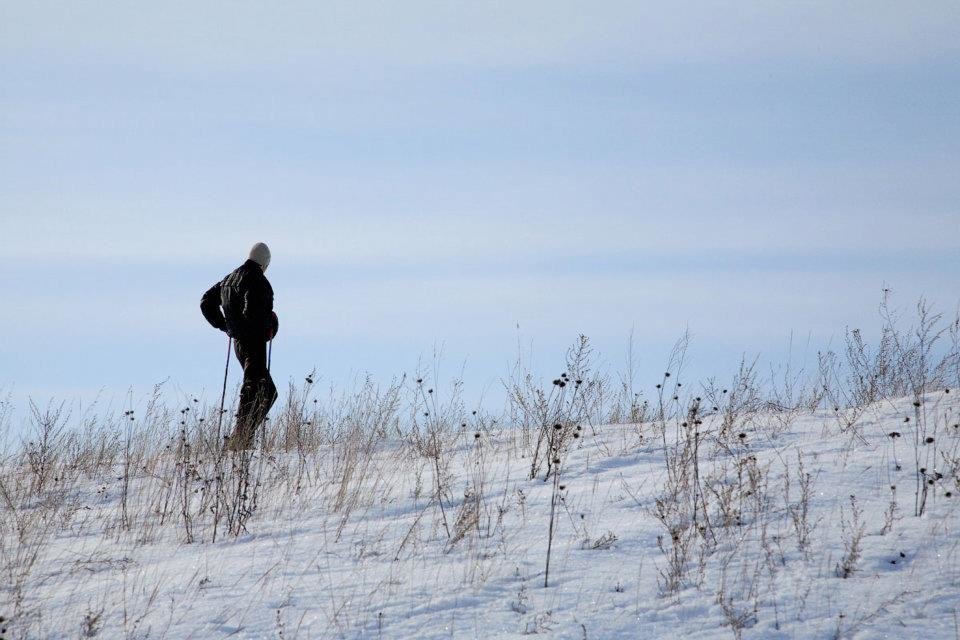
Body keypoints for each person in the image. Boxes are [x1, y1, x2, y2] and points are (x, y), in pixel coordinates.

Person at [200, 242, 279, 450]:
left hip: (238, 343)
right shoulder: (259, 281)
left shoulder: (229, 278)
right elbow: (252, 310)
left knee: (261, 389)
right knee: (258, 389)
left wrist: (225, 326)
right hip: (253, 342)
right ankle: (240, 440)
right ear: (265, 262)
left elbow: (206, 302)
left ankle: (243, 438)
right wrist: (267, 325)